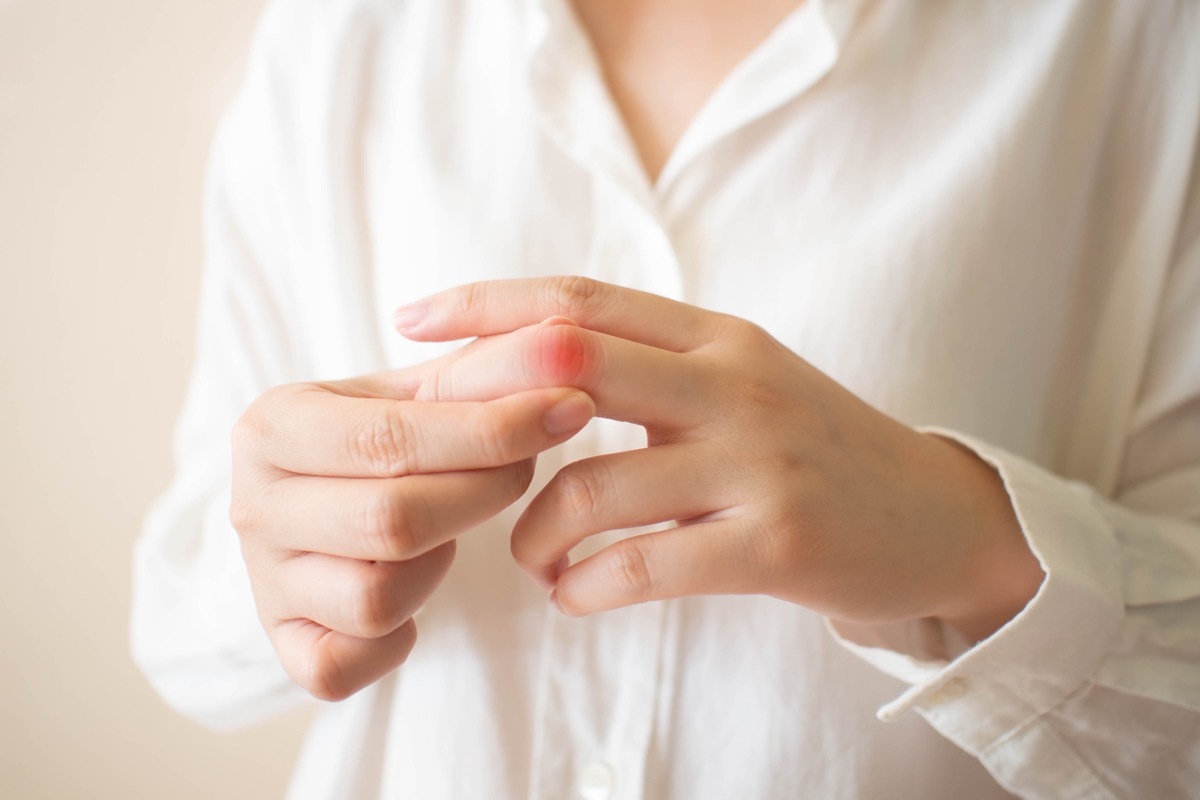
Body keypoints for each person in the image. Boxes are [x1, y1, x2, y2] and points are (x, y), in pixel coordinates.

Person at [132, 0, 1200, 797]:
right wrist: (290, 559)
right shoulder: (342, 41)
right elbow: (182, 626)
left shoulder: (1142, 49)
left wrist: (965, 539)